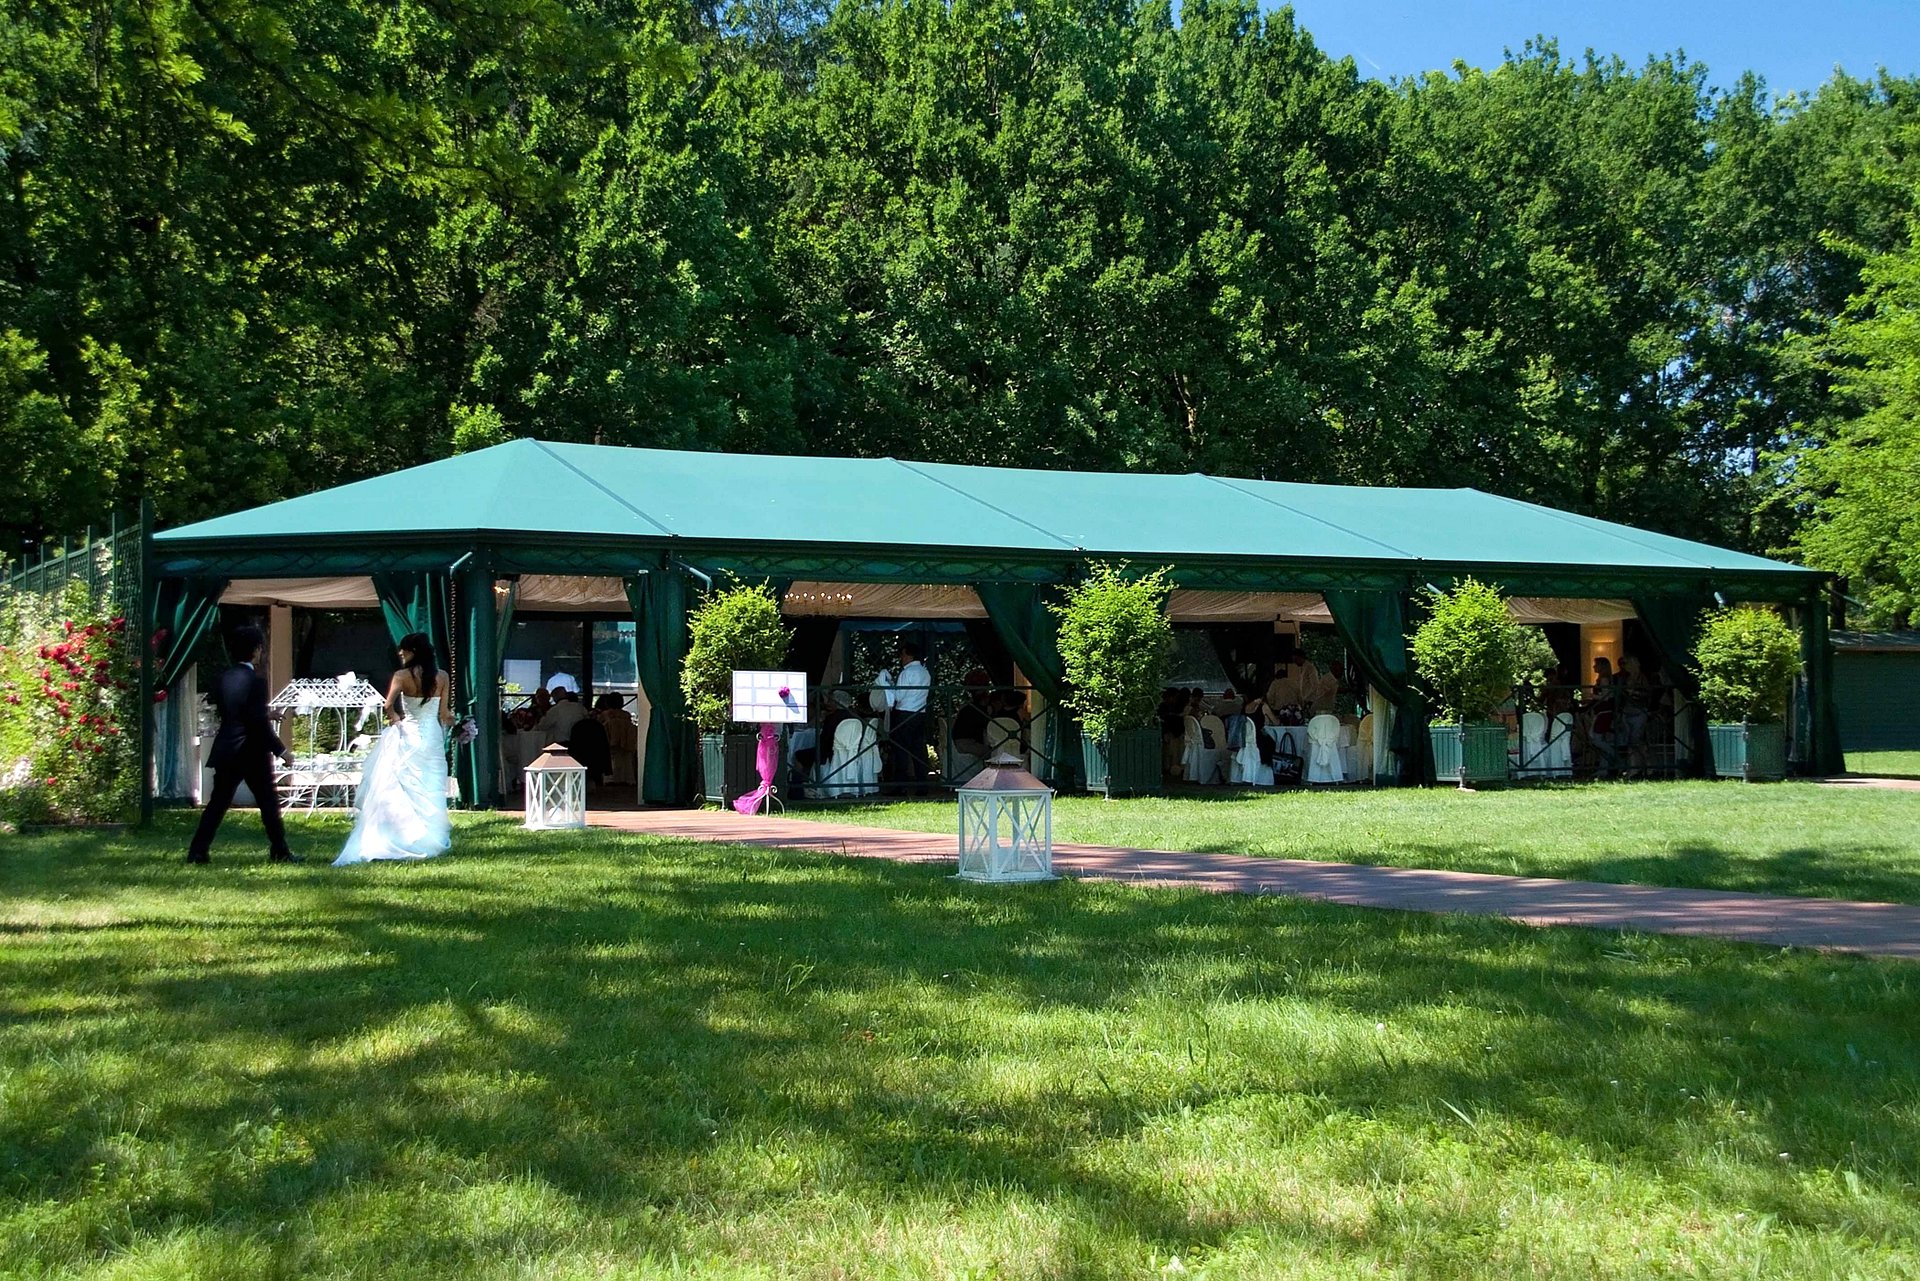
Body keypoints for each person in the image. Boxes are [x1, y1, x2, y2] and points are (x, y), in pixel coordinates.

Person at [335, 632, 453, 864]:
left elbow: (388, 705)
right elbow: (443, 714)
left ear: (414, 652)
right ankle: (429, 836)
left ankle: (403, 833)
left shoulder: (401, 676)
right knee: (429, 784)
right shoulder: (442, 677)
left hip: (409, 732)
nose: (401, 653)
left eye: (404, 649)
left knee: (404, 784)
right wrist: (457, 724)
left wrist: (399, 723)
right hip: (432, 737)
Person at [186, 625, 298, 864]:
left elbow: (237, 713)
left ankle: (197, 851)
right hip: (252, 752)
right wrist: (282, 751)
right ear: (256, 650)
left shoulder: (223, 678)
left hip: (227, 748)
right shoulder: (256, 681)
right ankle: (280, 850)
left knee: (217, 804)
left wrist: (263, 714)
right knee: (268, 804)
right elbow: (255, 723)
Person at [877, 639, 932, 793]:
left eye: (902, 655)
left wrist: (889, 687)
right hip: (920, 714)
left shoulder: (906, 672)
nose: (901, 658)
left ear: (909, 655)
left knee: (900, 751)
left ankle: (899, 787)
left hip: (904, 714)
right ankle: (922, 786)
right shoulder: (925, 672)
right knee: (918, 751)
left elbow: (899, 697)